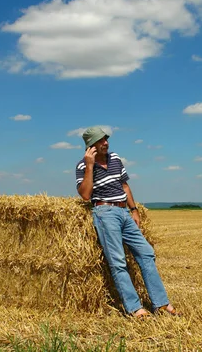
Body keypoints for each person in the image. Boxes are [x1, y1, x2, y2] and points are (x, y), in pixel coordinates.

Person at [75, 126, 180, 318]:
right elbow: (85, 195)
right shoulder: (82, 166)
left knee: (147, 253)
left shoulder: (115, 159)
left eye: (106, 139)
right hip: (104, 212)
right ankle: (134, 308)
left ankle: (161, 304)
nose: (105, 143)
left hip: (124, 211)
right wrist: (90, 165)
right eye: (100, 141)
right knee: (118, 262)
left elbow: (124, 185)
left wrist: (134, 209)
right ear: (91, 145)